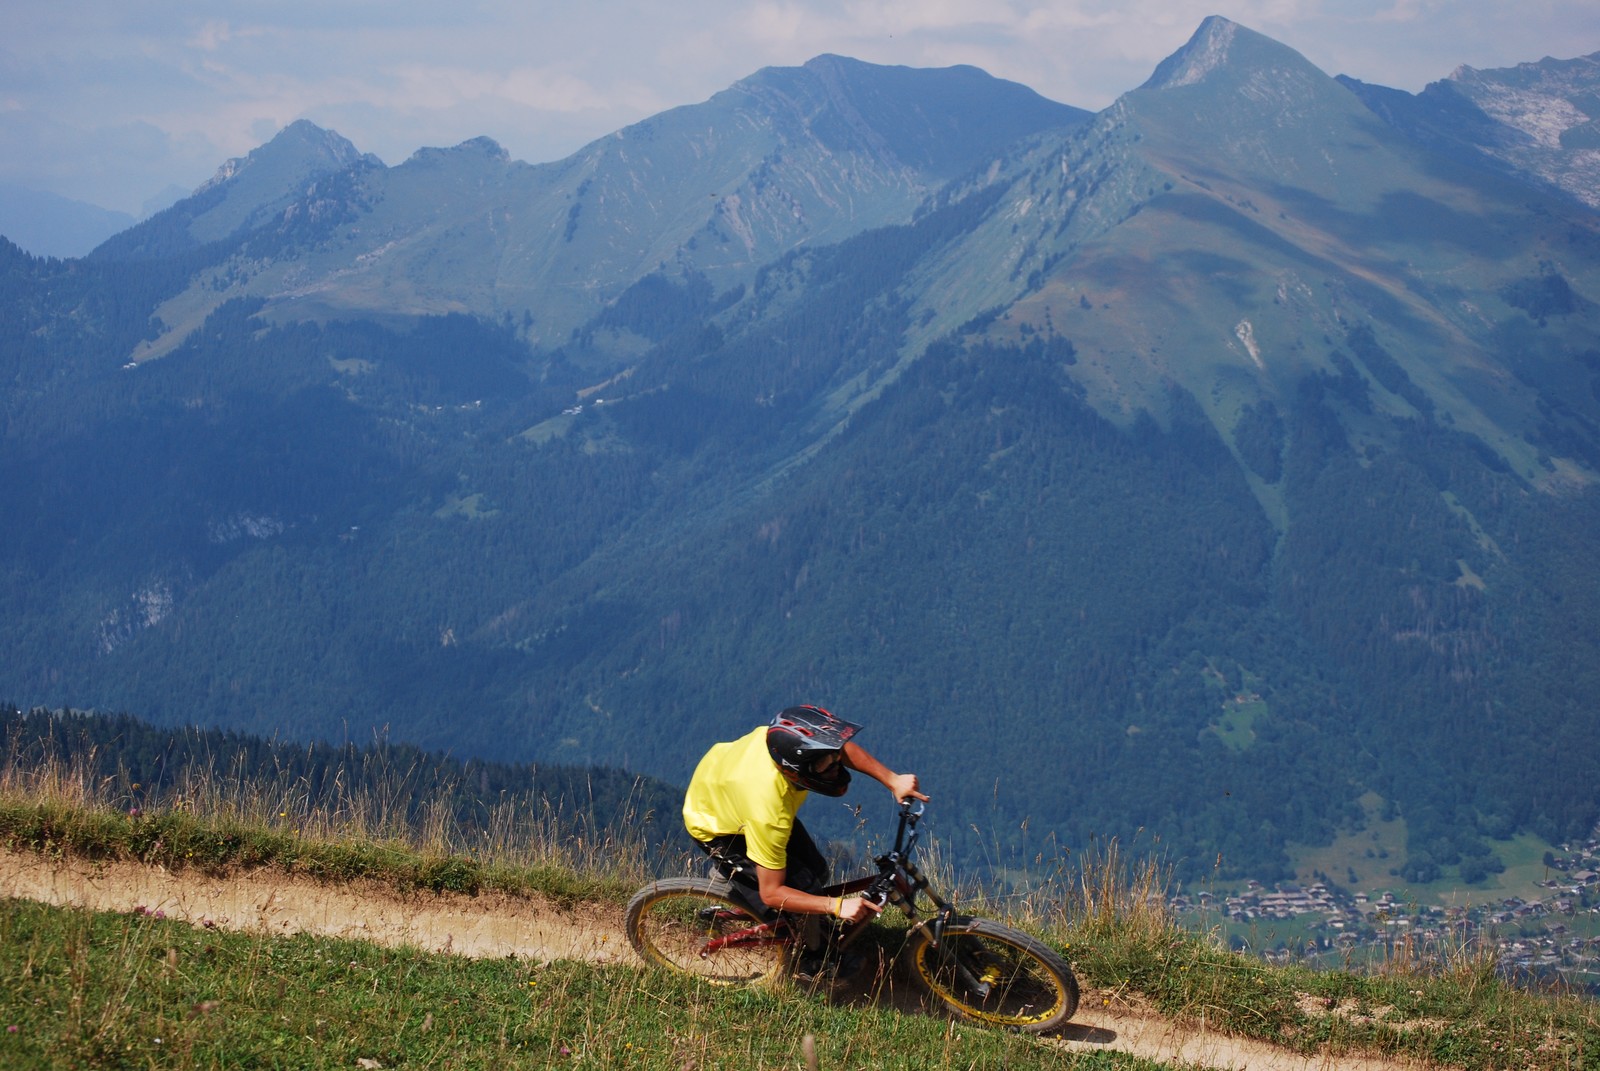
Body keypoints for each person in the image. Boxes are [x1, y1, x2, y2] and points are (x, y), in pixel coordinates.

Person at [682, 705, 928, 938]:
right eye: (823, 764)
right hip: (717, 826)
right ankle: (807, 960)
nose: (835, 763)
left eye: (832, 755)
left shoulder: (783, 745)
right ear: (796, 769)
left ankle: (743, 882)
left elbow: (837, 749)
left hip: (727, 793)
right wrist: (835, 906)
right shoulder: (769, 811)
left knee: (817, 872)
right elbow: (772, 893)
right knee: (798, 919)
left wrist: (893, 780)